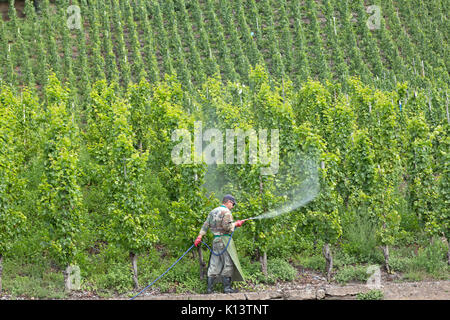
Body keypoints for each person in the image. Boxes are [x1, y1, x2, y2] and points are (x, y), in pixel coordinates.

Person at [194, 194, 246, 294]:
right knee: (228, 263)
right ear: (229, 202)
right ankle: (227, 289)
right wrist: (236, 224)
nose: (233, 206)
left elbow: (205, 225)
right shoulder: (227, 212)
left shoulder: (213, 211)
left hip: (215, 241)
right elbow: (227, 227)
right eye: (233, 204)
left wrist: (199, 236)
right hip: (224, 240)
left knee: (214, 264)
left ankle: (209, 289)